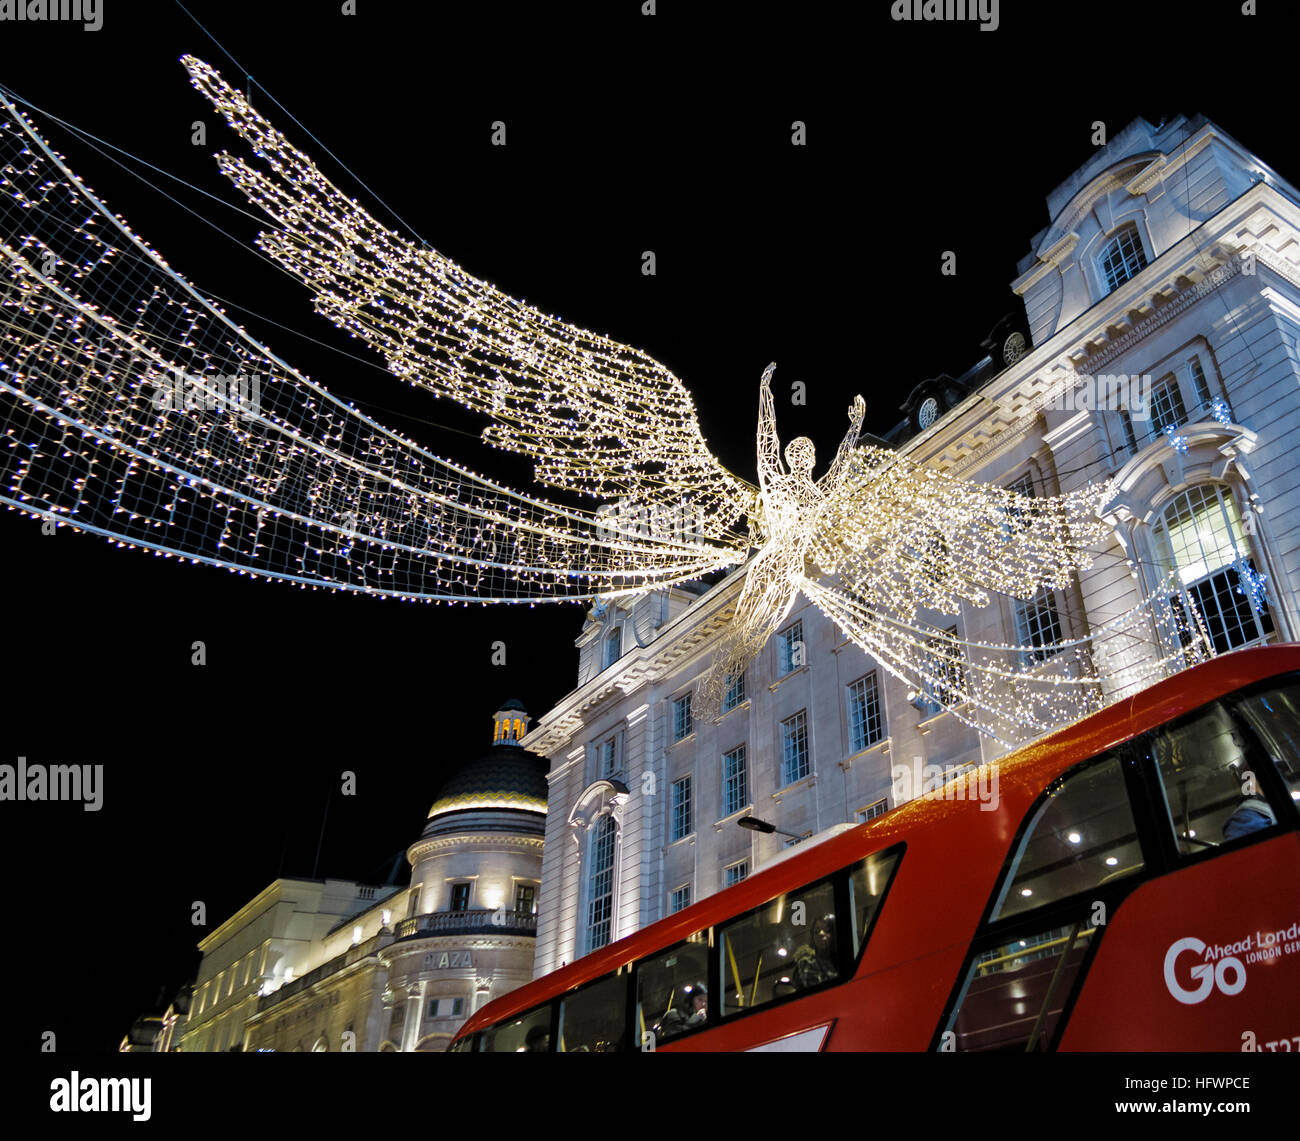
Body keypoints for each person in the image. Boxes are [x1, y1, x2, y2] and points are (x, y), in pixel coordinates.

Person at [791, 915, 839, 990]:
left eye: (827, 930)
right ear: (813, 937)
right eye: (817, 931)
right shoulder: (807, 962)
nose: (821, 933)